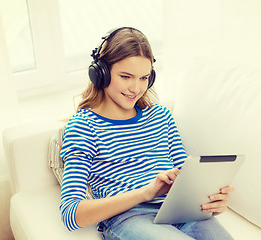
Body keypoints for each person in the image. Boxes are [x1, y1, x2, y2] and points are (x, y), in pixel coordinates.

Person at [60, 27, 234, 240]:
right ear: (101, 73)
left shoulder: (161, 116)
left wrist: (210, 202)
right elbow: (71, 214)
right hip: (130, 217)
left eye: (144, 78)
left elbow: (183, 176)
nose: (136, 88)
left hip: (180, 213)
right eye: (126, 76)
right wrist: (147, 192)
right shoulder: (83, 127)